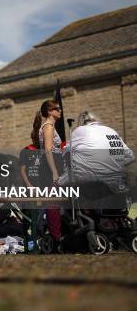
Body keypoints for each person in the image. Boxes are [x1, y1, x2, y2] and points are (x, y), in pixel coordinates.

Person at [61, 111, 134, 197]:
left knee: (61, 186)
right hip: (116, 182)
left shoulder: (79, 130)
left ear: (82, 123)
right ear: (96, 120)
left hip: (90, 181)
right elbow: (130, 156)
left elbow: (65, 152)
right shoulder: (111, 130)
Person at [38, 100, 64, 244]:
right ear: (49, 111)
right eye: (57, 109)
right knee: (53, 203)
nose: (60, 111)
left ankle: (58, 234)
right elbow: (48, 150)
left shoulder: (50, 126)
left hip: (54, 163)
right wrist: (54, 171)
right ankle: (56, 237)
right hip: (51, 166)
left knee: (57, 201)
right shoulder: (48, 126)